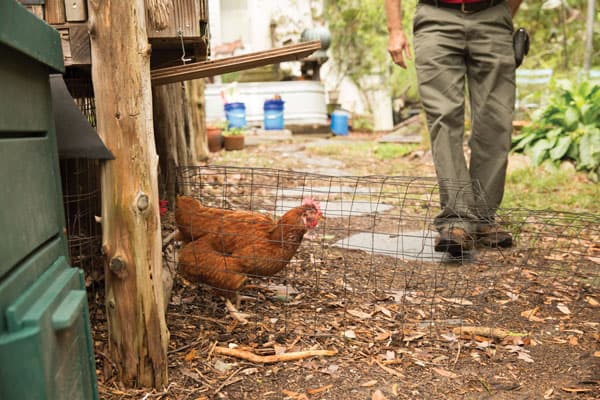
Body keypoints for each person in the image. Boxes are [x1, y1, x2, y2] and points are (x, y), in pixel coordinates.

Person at [385, 0, 523, 257]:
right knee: (444, 119)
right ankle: (457, 220)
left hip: (493, 18)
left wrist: (502, 13)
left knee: (496, 122)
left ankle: (482, 218)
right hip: (435, 18)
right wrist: (395, 29)